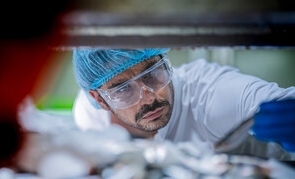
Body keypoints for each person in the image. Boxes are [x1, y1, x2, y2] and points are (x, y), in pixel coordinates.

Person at [72, 49, 295, 159]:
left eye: (152, 73)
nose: (149, 98)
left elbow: (281, 101)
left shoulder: (210, 95)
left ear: (165, 63)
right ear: (100, 99)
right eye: (123, 89)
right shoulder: (88, 116)